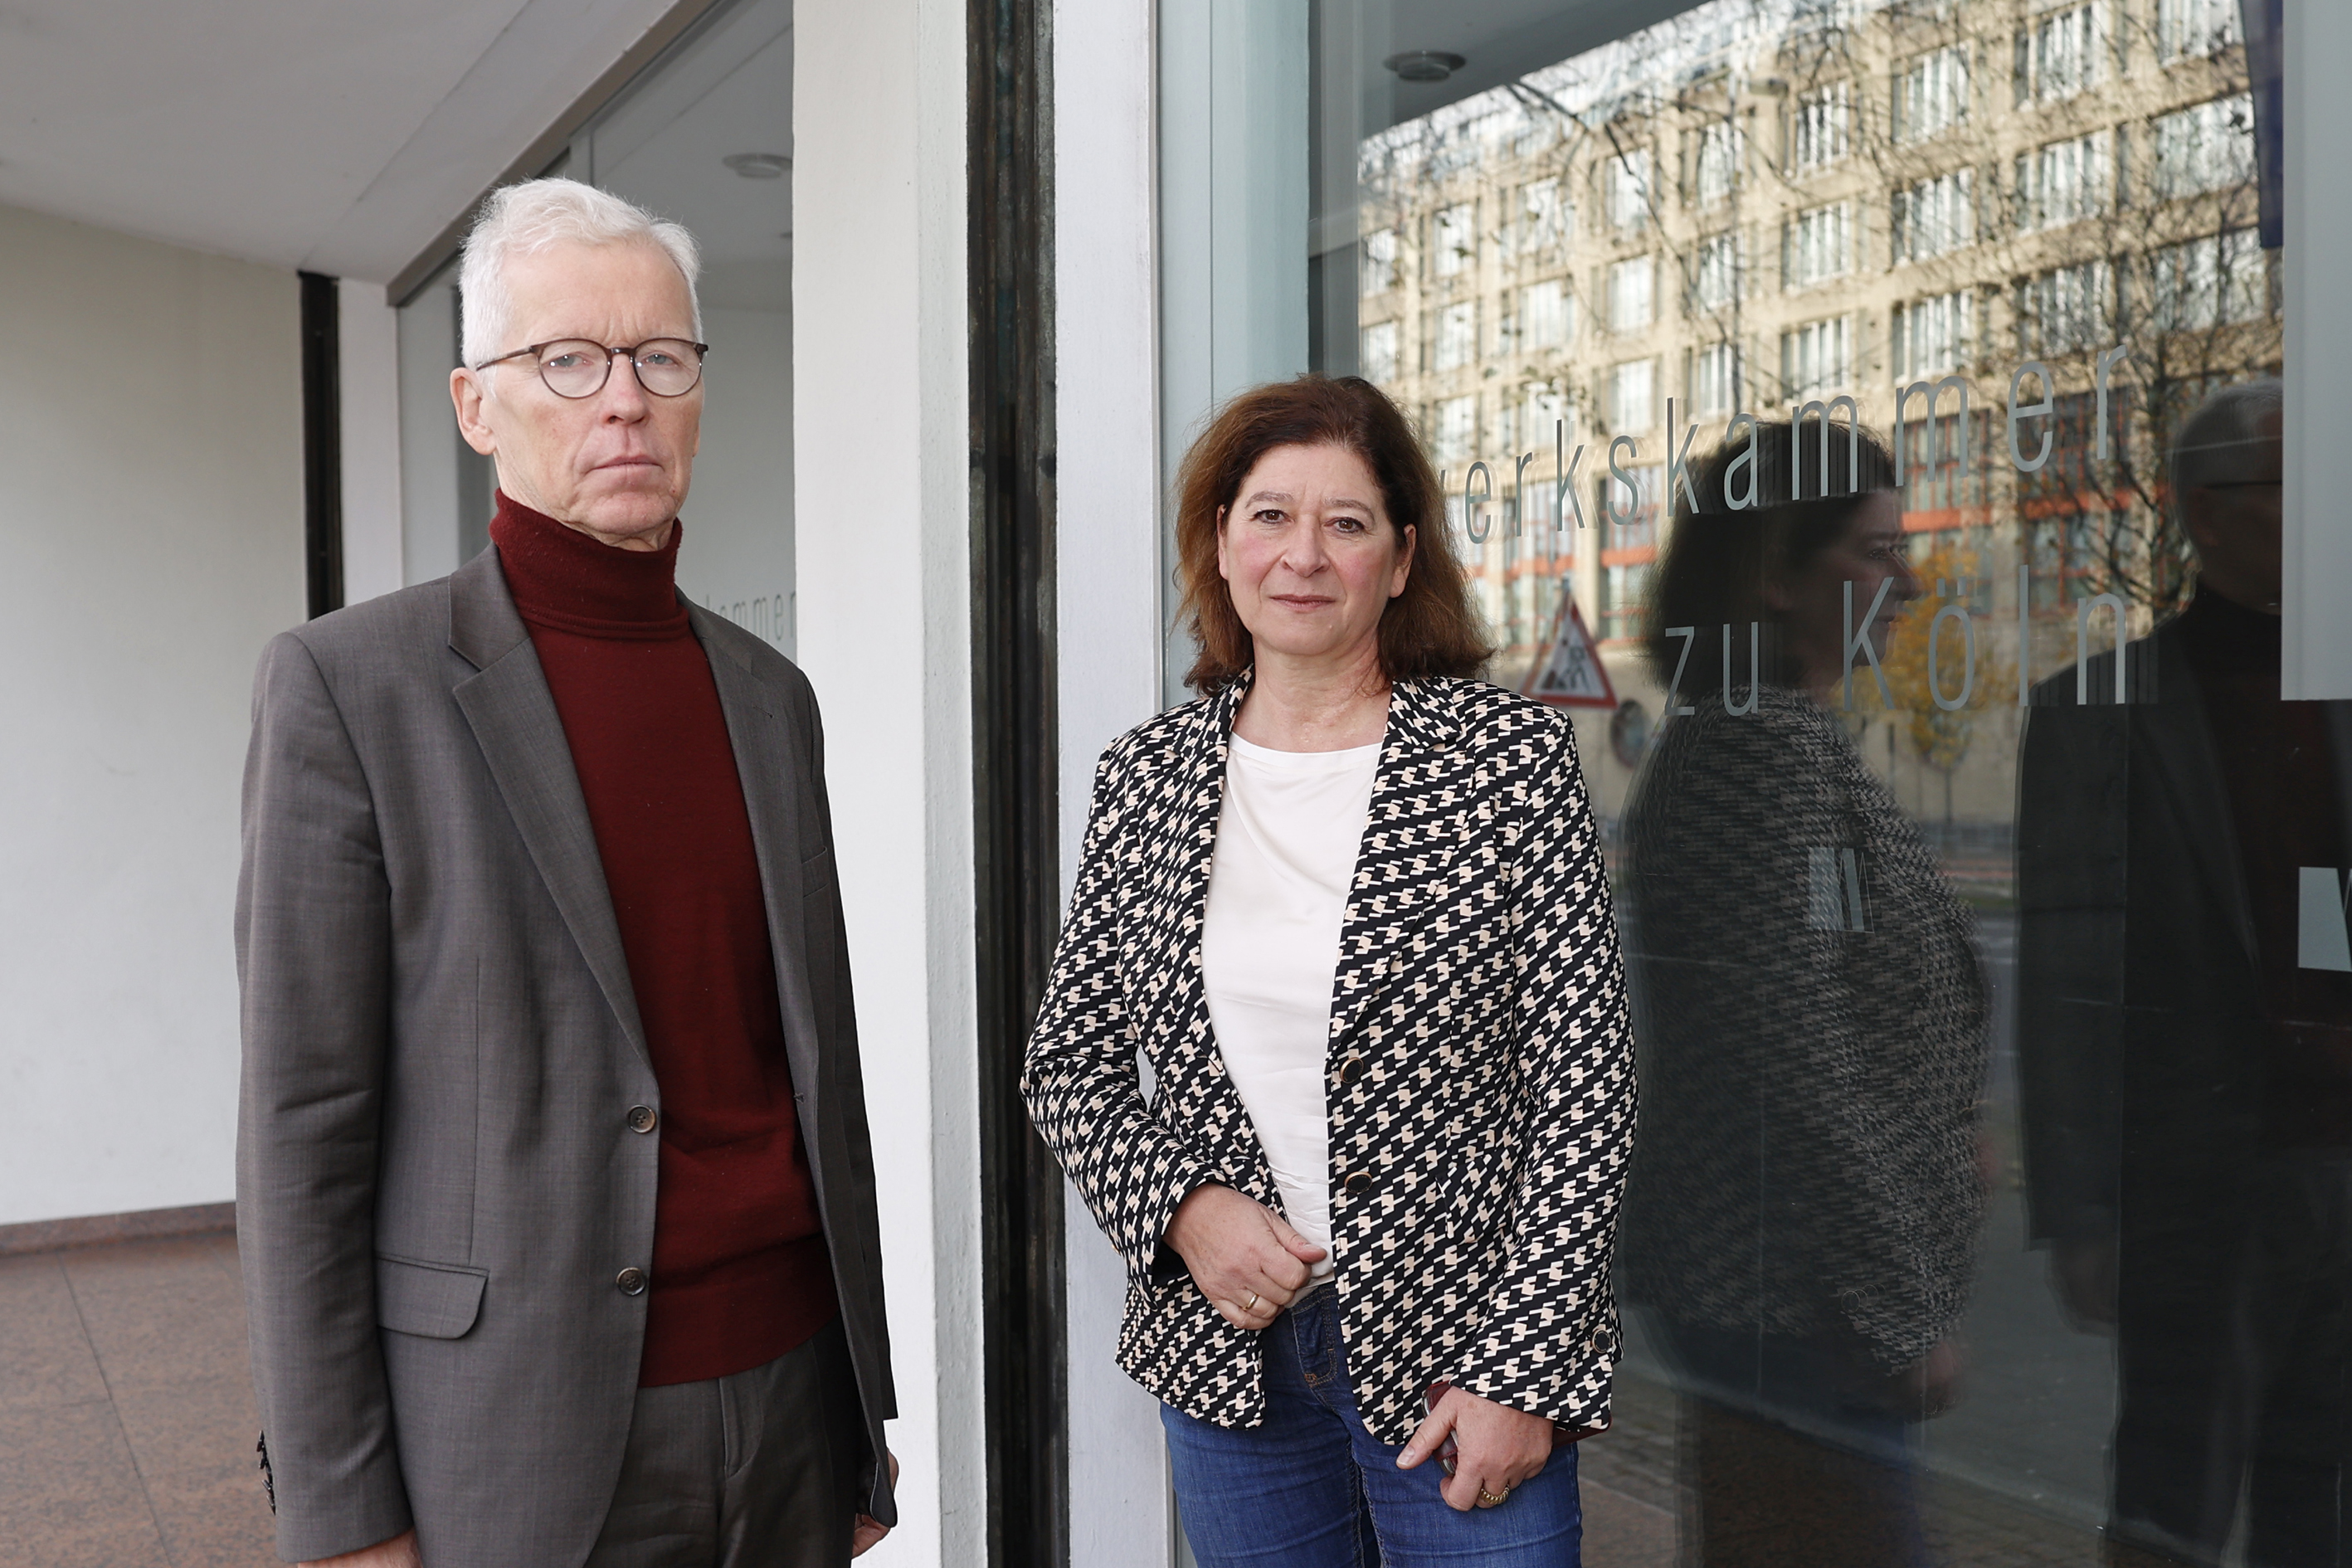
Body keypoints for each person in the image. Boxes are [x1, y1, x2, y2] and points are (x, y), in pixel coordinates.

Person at [236, 178, 895, 1568]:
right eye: (570, 362)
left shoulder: (771, 698)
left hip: (787, 1400)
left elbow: (816, 1082)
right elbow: (305, 1127)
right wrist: (343, 1508)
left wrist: (861, 1414)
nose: (625, 402)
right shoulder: (354, 691)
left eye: (663, 358)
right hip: (514, 1427)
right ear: (479, 408)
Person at [1021, 374, 1637, 1566]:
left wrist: (1526, 1366)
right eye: (1270, 515)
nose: (1304, 554)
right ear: (1221, 542)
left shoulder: (1508, 760)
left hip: (1467, 1364)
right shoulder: (1147, 777)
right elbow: (1070, 1064)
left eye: (1346, 523)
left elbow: (1585, 1082)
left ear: (1400, 561)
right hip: (1230, 1367)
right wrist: (1185, 1209)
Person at [1617, 420, 1989, 1566]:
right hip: (1799, 1306)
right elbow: (1799, 1054)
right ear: (1776, 573)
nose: (1911, 581)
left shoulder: (1771, 735)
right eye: (1877, 551)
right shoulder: (1756, 751)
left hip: (1786, 1299)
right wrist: (1897, 1312)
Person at [2017, 380, 2350, 1566]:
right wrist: (2081, 1210)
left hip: (2338, 1171)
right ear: (2208, 515)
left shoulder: (2341, 695)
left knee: (2325, 1504)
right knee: (2175, 1503)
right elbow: (2063, 979)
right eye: (2296, 492)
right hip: (2196, 1195)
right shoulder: (2100, 717)